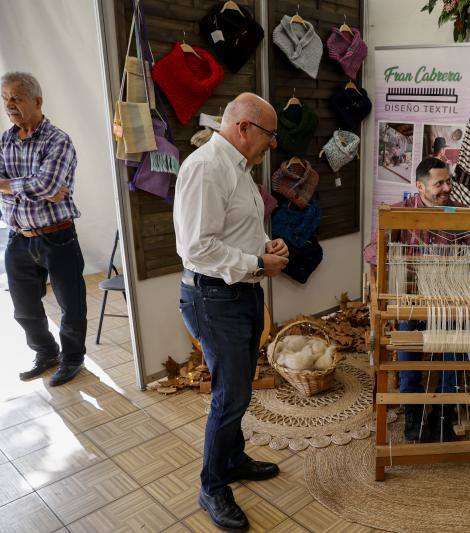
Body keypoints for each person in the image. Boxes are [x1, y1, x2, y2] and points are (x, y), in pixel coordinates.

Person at [174, 92, 290, 531]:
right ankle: (212, 486)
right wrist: (258, 264)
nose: (272, 144)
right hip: (212, 297)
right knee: (230, 395)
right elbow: (197, 248)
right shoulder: (205, 168)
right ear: (244, 127)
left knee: (238, 387)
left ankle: (234, 458)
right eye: (270, 134)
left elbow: (237, 232)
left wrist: (266, 247)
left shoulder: (240, 170)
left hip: (240, 293)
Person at [364, 157, 469, 443]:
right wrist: (399, 261)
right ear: (420, 186)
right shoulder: (398, 213)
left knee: (453, 338)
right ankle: (413, 407)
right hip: (410, 299)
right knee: (408, 336)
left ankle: (445, 410)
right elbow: (372, 251)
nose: (447, 188)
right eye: (439, 183)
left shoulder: (459, 215)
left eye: (449, 181)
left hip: (447, 299)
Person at [0, 72, 87, 387]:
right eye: (5, 98)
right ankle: (47, 353)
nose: (10, 105)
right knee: (24, 309)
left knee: (71, 306)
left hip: (58, 236)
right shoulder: (5, 141)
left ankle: (73, 358)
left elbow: (47, 183)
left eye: (17, 98)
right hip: (18, 238)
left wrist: (11, 185)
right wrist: (35, 187)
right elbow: (42, 187)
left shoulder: (58, 140)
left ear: (37, 101)